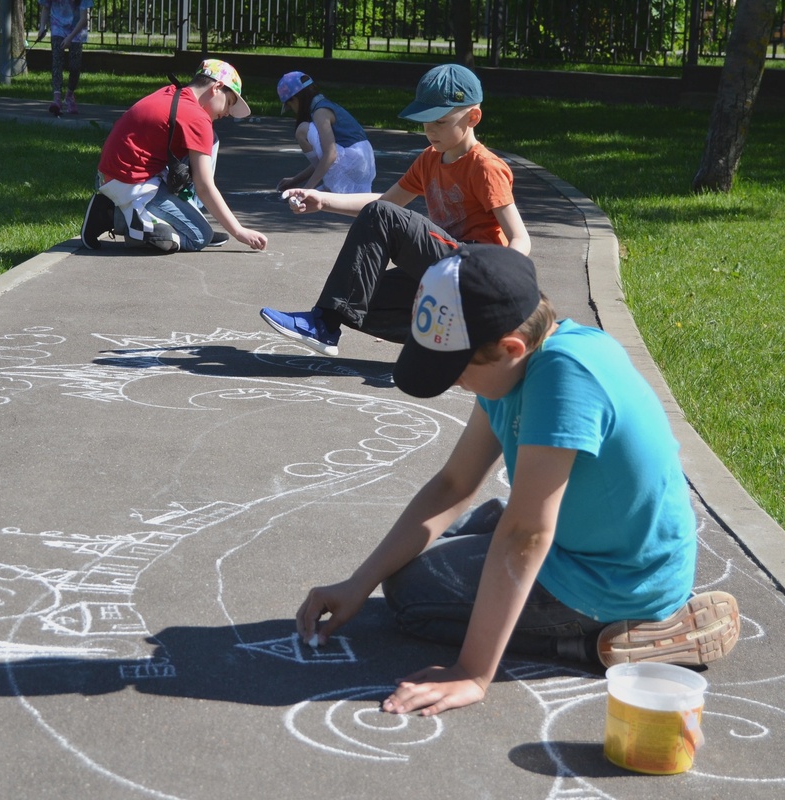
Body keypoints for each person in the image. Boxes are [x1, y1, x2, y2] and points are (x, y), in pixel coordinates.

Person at [295, 244, 741, 717]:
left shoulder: (565, 378)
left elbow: (527, 533)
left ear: (511, 348)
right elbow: (454, 483)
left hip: (612, 580)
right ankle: (604, 622)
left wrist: (472, 672)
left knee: (409, 596)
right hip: (597, 549)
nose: (452, 383)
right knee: (428, 554)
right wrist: (358, 583)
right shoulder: (521, 365)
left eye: (456, 370)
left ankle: (611, 639)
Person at [259, 63, 530, 357]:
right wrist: (323, 201)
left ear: (473, 117)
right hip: (446, 265)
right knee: (359, 300)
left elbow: (520, 238)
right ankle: (460, 339)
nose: (429, 130)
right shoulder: (430, 159)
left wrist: (500, 288)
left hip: (475, 270)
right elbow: (385, 203)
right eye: (424, 121)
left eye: (439, 121)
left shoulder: (485, 167)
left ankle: (324, 324)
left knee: (379, 223)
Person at [80, 59, 269, 254]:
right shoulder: (197, 118)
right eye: (229, 103)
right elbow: (204, 186)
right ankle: (112, 214)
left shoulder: (174, 93)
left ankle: (174, 220)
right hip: (129, 184)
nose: (228, 113)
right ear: (217, 87)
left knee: (211, 140)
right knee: (198, 237)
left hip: (115, 175)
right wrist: (239, 231)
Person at [276, 71, 376, 194]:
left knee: (302, 130)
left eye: (290, 106)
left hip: (353, 162)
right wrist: (295, 180)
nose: (293, 110)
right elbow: (324, 158)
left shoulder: (320, 112)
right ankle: (332, 185)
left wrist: (306, 190)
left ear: (296, 99)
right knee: (311, 136)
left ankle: (331, 185)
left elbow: (331, 154)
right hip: (363, 165)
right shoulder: (324, 105)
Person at [38, 0, 91, 116]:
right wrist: (42, 27)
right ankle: (56, 98)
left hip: (77, 29)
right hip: (57, 26)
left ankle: (69, 95)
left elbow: (83, 19)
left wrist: (70, 38)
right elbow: (46, 7)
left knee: (75, 66)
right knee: (57, 61)